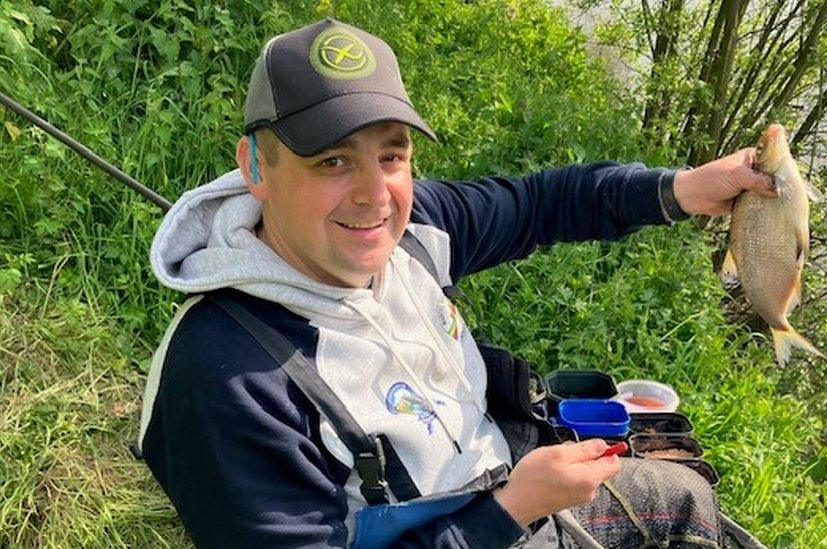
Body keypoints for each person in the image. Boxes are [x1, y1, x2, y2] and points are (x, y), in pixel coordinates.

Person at [137, 17, 775, 549]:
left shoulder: (414, 233)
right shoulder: (223, 379)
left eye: (391, 155)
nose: (373, 195)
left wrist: (683, 189)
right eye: (331, 160)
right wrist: (511, 510)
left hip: (508, 485)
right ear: (256, 165)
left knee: (687, 501)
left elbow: (540, 204)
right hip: (492, 521)